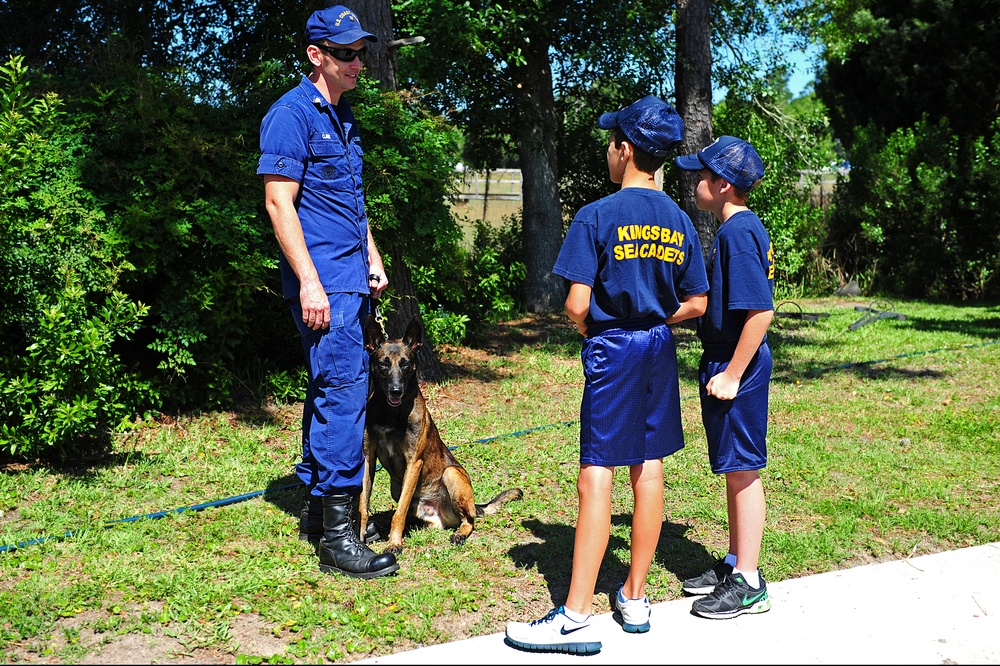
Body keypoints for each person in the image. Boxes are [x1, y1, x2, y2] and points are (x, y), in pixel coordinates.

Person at [505, 96, 709, 654]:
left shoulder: (595, 216)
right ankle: (636, 597)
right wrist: (653, 319)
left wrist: (601, 329)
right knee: (649, 466)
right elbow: (698, 300)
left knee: (596, 471)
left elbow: (575, 304)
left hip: (613, 346)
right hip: (658, 347)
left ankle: (573, 617)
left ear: (624, 149)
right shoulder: (680, 220)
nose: (608, 151)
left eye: (611, 142)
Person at [257, 5, 398, 579]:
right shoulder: (290, 115)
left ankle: (318, 512)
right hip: (324, 286)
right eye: (345, 53)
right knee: (343, 397)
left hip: (350, 278)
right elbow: (278, 203)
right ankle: (341, 539)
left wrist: (372, 253)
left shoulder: (343, 119)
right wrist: (310, 282)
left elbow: (347, 202)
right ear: (316, 56)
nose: (357, 62)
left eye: (360, 52)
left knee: (330, 392)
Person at [674, 136, 774, 618]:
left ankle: (750, 583)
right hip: (723, 360)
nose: (696, 183)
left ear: (723, 185)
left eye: (702, 175)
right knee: (733, 467)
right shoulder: (737, 230)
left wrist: (734, 373)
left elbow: (760, 311)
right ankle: (736, 561)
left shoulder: (738, 233)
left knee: (743, 470)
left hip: (738, 366)